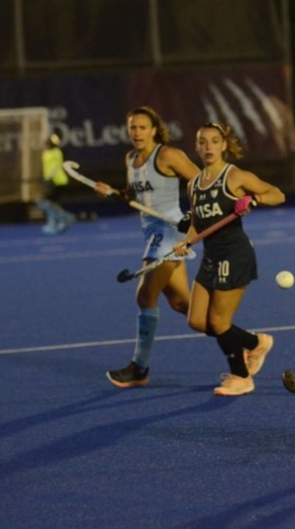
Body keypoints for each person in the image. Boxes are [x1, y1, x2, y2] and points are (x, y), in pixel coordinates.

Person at [174, 122, 285, 396]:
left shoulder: (234, 176)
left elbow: (278, 194)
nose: (208, 147)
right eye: (203, 142)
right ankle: (255, 342)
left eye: (214, 141)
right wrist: (186, 241)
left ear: (224, 145)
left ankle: (241, 376)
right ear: (197, 147)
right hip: (210, 256)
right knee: (198, 321)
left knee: (220, 323)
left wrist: (254, 200)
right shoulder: (193, 185)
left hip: (235, 255)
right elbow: (197, 224)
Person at [97, 106, 201, 388]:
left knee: (145, 296)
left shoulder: (167, 155)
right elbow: (135, 195)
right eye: (132, 127)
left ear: (154, 129)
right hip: (151, 231)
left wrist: (193, 217)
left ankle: (139, 368)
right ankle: (247, 343)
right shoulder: (130, 159)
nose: (137, 132)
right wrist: (115, 193)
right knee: (183, 304)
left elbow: (201, 183)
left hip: (170, 232)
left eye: (142, 127)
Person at [35, 134, 75, 235]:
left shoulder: (57, 152)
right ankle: (56, 222)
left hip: (57, 181)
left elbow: (55, 167)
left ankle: (63, 219)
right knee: (51, 203)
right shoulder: (46, 153)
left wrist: (49, 179)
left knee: (48, 203)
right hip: (50, 181)